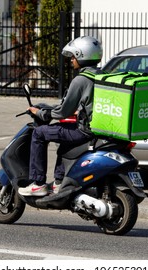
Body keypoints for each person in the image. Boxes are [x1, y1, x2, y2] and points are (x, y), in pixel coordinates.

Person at [18, 35, 104, 196]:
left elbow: (63, 111)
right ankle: (59, 182)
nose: (71, 60)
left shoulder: (81, 80)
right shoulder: (101, 75)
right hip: (97, 128)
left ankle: (38, 183)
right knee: (63, 135)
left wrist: (41, 113)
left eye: (73, 56)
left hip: (84, 130)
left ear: (81, 55)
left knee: (39, 133)